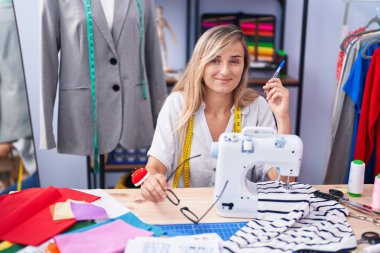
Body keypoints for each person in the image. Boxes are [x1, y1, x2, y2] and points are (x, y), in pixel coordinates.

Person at [141, 25, 290, 202]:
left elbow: (284, 181)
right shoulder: (177, 105)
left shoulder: (258, 108)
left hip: (242, 213)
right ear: (200, 63)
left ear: (244, 66)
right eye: (215, 60)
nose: (225, 71)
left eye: (234, 61)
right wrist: (151, 181)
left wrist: (283, 117)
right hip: (184, 211)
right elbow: (156, 166)